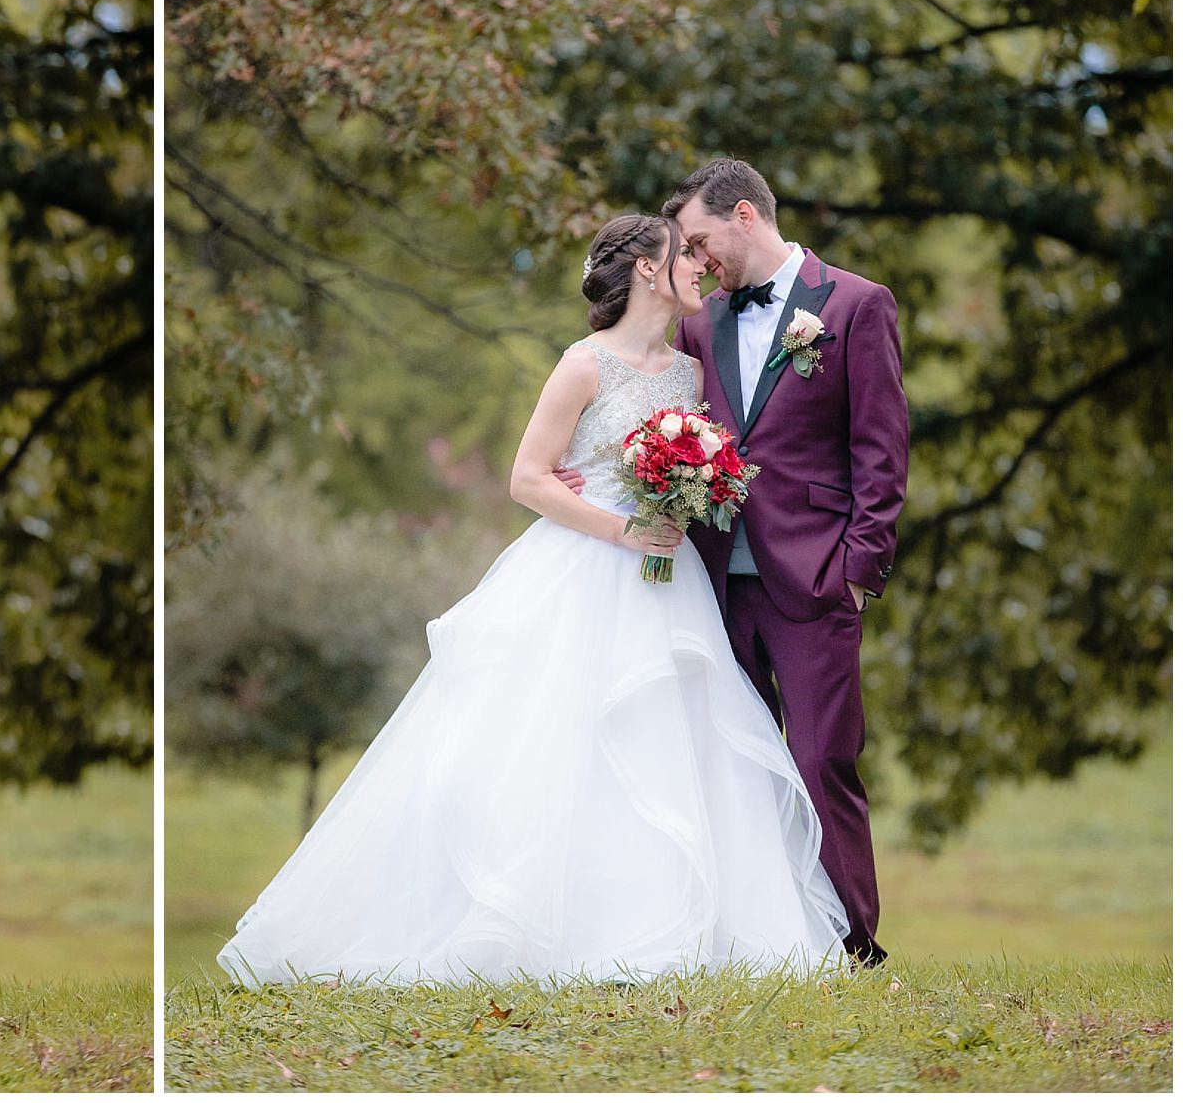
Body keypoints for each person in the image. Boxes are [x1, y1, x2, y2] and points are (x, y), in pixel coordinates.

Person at [217, 213, 848, 987]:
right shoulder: (583, 365)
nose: (700, 266)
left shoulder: (687, 372)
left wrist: (690, 493)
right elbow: (527, 477)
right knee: (558, 742)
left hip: (668, 579)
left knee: (667, 741)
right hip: (584, 570)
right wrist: (621, 528)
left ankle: (661, 926)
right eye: (684, 254)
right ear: (647, 270)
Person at [664, 157, 907, 967]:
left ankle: (853, 947)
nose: (695, 262)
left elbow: (881, 451)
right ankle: (754, 942)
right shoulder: (700, 323)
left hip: (812, 582)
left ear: (743, 215)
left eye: (699, 241)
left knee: (819, 761)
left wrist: (857, 570)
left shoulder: (855, 304)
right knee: (731, 764)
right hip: (711, 586)